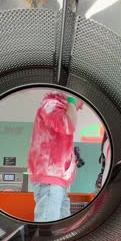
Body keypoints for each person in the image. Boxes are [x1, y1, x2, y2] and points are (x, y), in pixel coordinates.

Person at [28, 91, 83, 222]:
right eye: (82, 101)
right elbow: (68, 125)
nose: (82, 106)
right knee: (48, 224)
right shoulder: (50, 104)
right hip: (50, 178)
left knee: (61, 225)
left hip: (57, 179)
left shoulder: (56, 108)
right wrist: (72, 100)